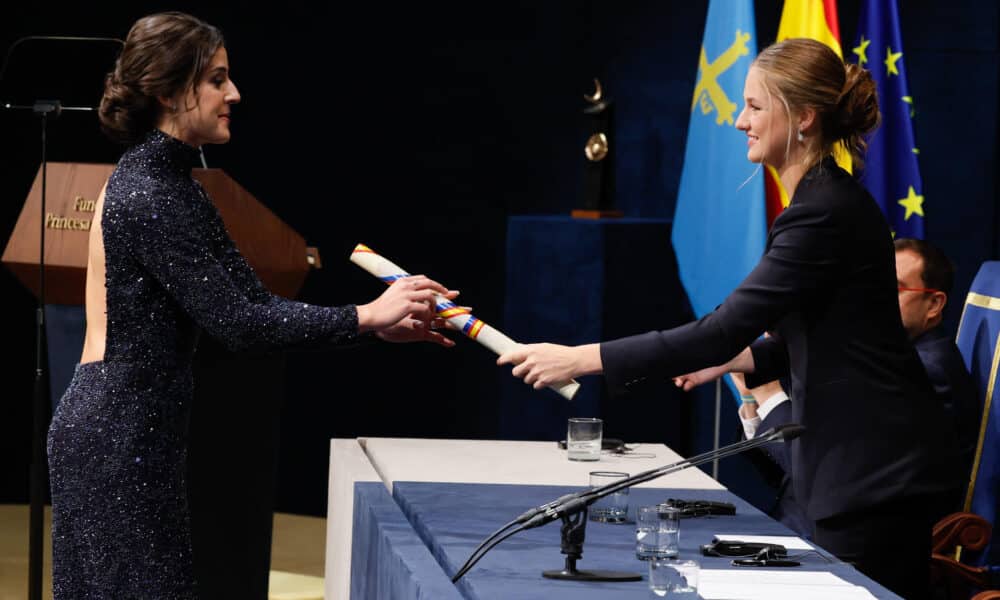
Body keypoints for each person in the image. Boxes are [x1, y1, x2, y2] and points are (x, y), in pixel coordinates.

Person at [499, 38, 960, 599]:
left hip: (871, 478)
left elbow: (723, 327)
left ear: (805, 117)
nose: (741, 120)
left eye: (755, 106)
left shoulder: (823, 212)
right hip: (859, 472)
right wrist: (732, 359)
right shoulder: (823, 201)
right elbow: (823, 334)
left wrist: (579, 358)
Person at [45, 12, 456, 599]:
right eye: (216, 79)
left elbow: (255, 305)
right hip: (117, 438)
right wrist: (366, 315)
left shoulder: (172, 184)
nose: (233, 93)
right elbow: (242, 326)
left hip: (128, 433)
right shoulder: (152, 193)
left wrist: (374, 327)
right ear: (168, 90)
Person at [735, 238, 977, 536]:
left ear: (934, 304)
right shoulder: (877, 356)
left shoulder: (928, 371)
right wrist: (752, 400)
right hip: (799, 527)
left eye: (895, 288)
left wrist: (768, 393)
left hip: (848, 548)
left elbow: (827, 471)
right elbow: (787, 472)